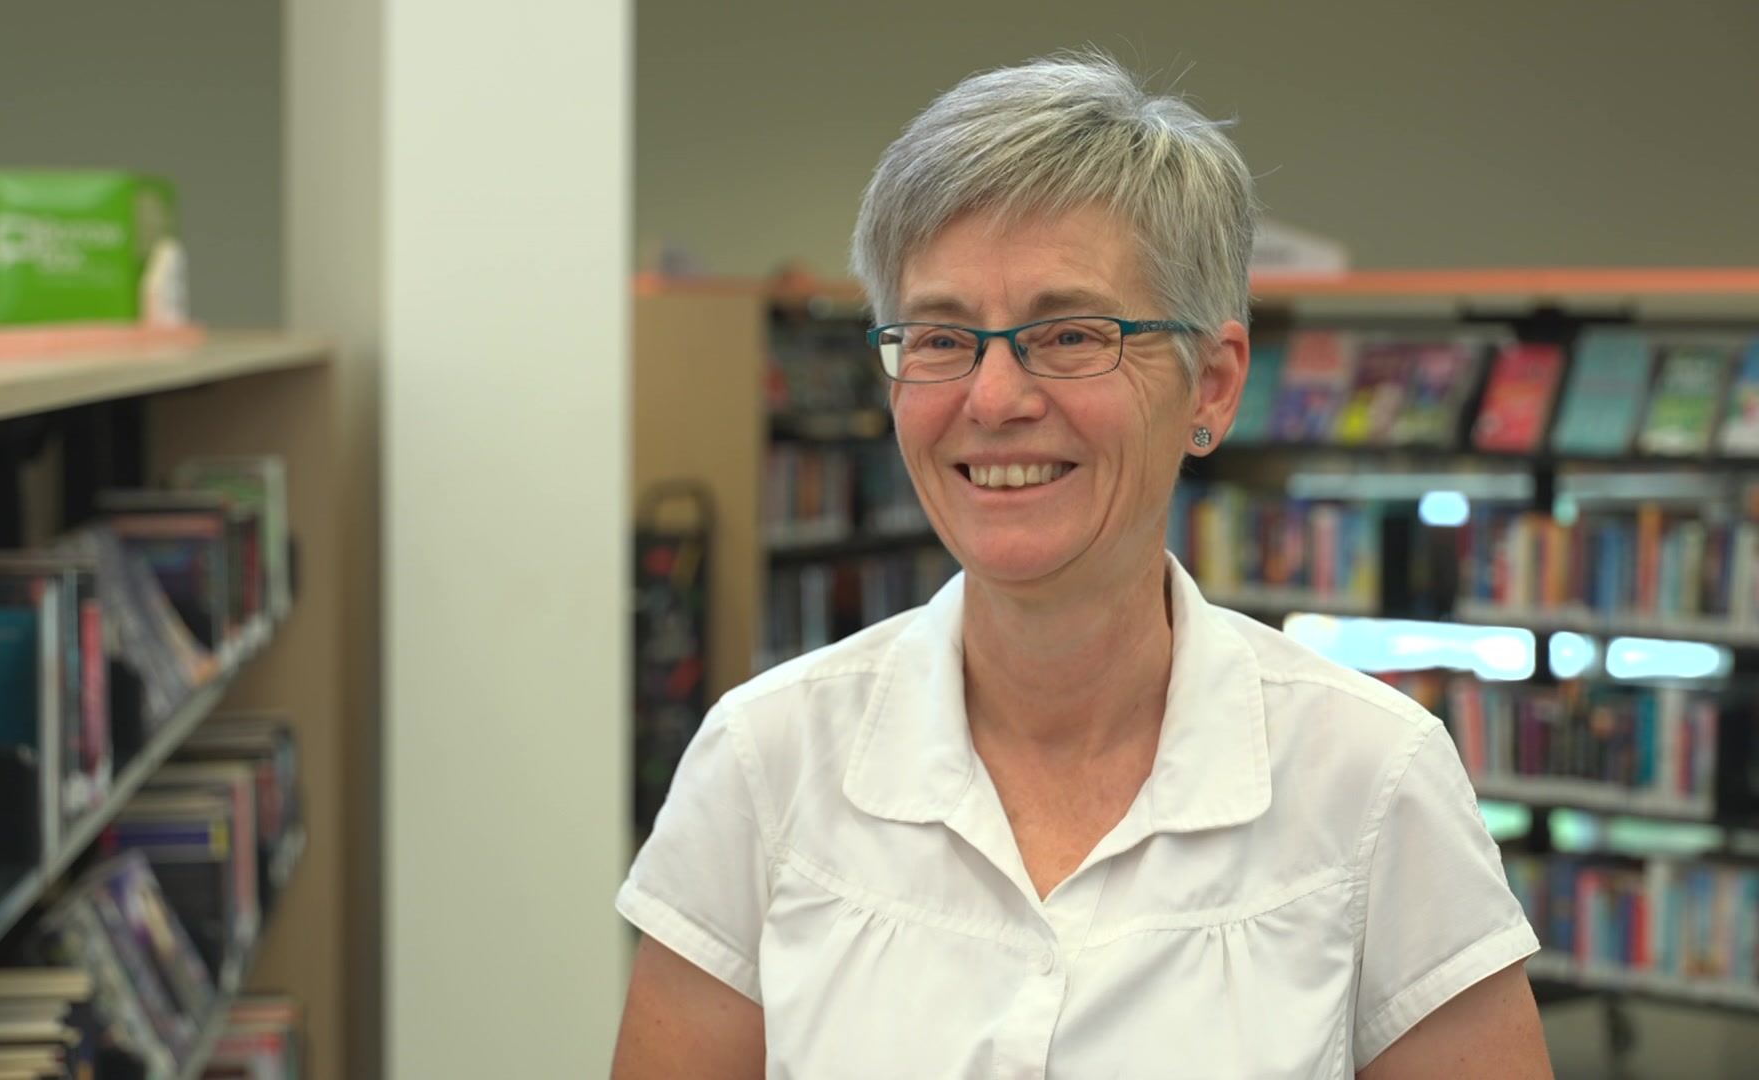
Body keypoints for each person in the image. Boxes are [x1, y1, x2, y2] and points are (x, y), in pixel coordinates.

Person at [612, 50, 1552, 1079]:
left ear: (1212, 385)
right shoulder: (762, 764)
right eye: (939, 337)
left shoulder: (1373, 784)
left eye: (1069, 334)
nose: (994, 396)